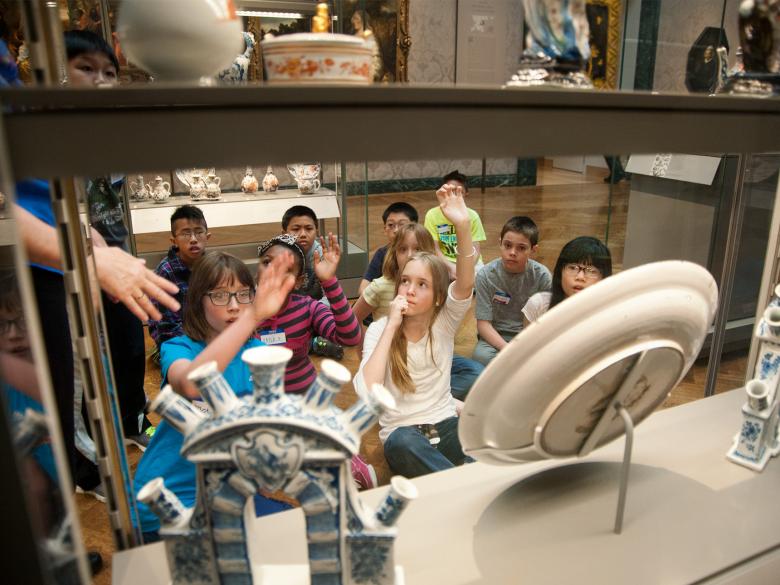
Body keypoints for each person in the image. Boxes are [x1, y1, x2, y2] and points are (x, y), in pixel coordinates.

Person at [133, 251, 296, 540]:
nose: (234, 306)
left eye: (244, 294)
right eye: (220, 296)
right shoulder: (178, 347)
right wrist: (253, 315)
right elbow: (195, 384)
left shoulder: (259, 353)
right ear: (198, 301)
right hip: (168, 502)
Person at [355, 184, 475, 478]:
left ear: (436, 296)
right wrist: (392, 325)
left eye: (421, 284)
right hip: (404, 434)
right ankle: (464, 481)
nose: (409, 289)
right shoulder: (381, 329)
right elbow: (366, 390)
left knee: (482, 432)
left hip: (446, 424)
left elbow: (465, 283)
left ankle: (450, 482)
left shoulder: (443, 322)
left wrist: (462, 225)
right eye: (405, 281)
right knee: (400, 444)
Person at [255, 234, 375, 488]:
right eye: (267, 262)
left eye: (285, 269)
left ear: (299, 281)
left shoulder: (306, 307)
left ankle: (350, 467)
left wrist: (330, 281)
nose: (274, 272)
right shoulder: (242, 308)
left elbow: (350, 336)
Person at [472, 216, 552, 365]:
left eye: (521, 248)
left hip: (530, 336)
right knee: (480, 357)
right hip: (495, 337)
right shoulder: (485, 275)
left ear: (533, 250)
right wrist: (507, 349)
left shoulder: (542, 276)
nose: (512, 252)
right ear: (500, 243)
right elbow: (483, 324)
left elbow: (548, 321)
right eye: (507, 245)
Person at [148, 205, 211, 351]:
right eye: (185, 234)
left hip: (209, 335)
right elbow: (166, 328)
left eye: (199, 232)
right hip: (177, 341)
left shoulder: (212, 266)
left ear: (207, 237)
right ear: (173, 240)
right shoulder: (165, 273)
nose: (193, 239)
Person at [522, 236, 612, 325]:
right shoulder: (539, 305)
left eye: (591, 271)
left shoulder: (610, 316)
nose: (580, 277)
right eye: (573, 268)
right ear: (560, 271)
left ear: (603, 278)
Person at [424, 170, 487, 279]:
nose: (452, 196)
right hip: (444, 262)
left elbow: (475, 250)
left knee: (481, 280)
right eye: (449, 191)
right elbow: (434, 249)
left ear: (466, 194)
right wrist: (451, 268)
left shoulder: (473, 216)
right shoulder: (432, 215)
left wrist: (464, 268)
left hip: (470, 262)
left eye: (458, 192)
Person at [358, 201, 419, 296]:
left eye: (402, 224)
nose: (396, 230)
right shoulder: (381, 253)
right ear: (385, 230)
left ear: (414, 226)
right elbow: (364, 287)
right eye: (391, 225)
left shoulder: (424, 252)